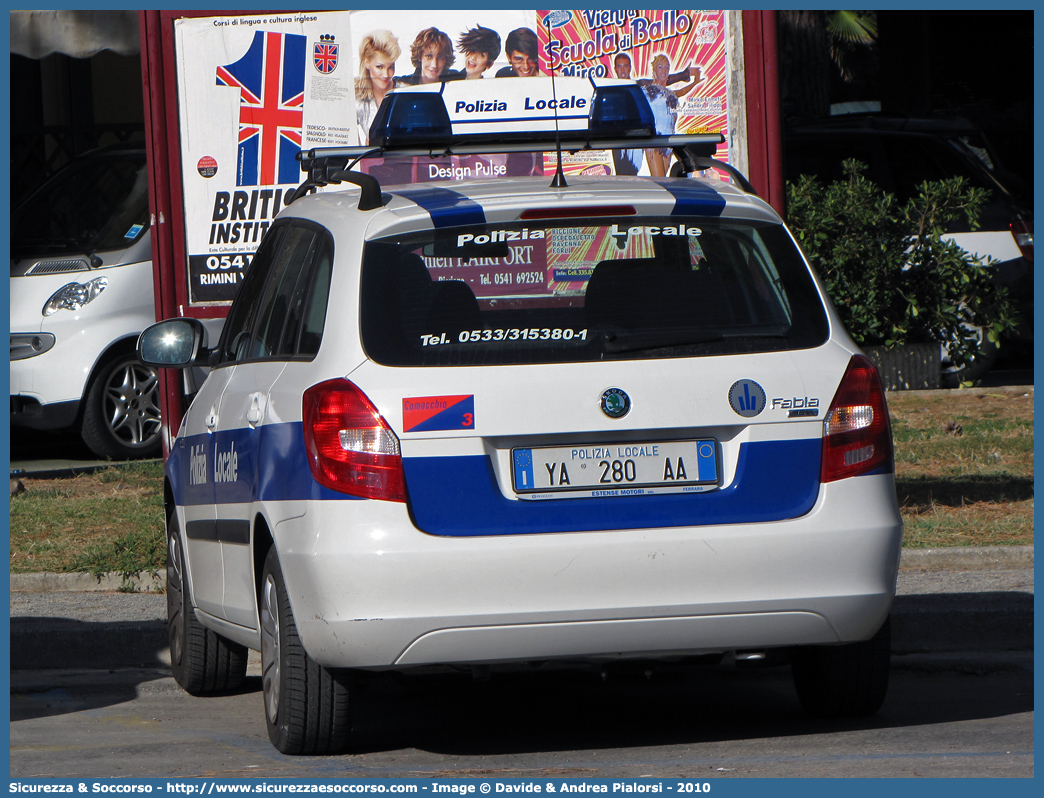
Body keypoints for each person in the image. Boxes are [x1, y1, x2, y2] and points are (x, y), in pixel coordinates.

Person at [638, 54, 702, 177]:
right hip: (655, 140)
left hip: (669, 141)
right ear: (654, 70)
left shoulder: (670, 93)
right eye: (660, 67)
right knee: (660, 180)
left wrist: (695, 83)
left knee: (663, 181)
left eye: (667, 67)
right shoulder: (647, 90)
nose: (664, 70)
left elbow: (681, 92)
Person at [355, 30, 401, 146]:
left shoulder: (405, 92)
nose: (386, 74)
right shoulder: (356, 98)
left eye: (391, 67)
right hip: (372, 161)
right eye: (379, 67)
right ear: (366, 62)